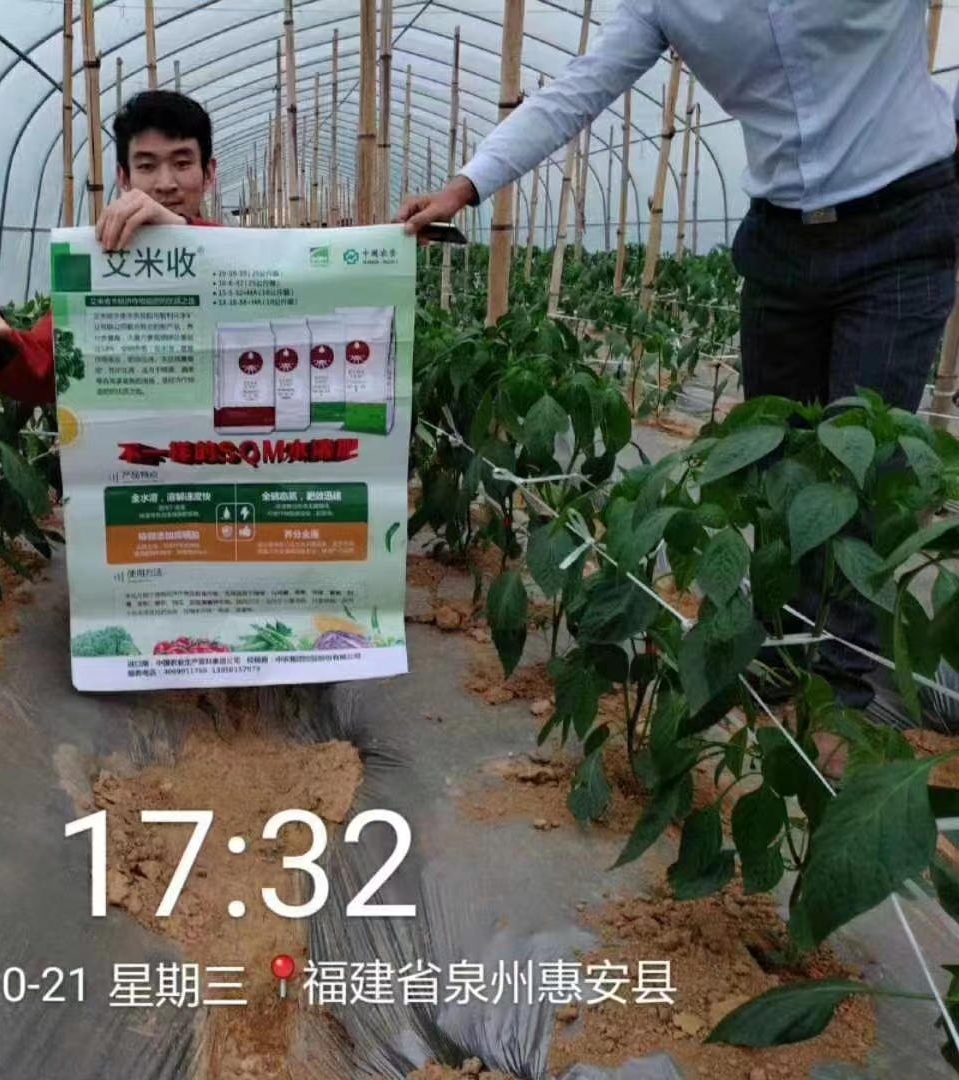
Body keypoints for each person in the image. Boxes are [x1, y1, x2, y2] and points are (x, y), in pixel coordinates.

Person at [399, 0, 959, 723]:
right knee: (778, 462)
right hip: (782, 240)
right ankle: (786, 650)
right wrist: (466, 186)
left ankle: (845, 692)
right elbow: (579, 88)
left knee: (864, 464)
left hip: (901, 222)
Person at [0, 90, 222, 406]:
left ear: (208, 174)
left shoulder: (238, 259)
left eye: (182, 163)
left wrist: (179, 232)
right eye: (147, 166)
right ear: (124, 178)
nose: (165, 183)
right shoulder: (97, 260)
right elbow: (47, 364)